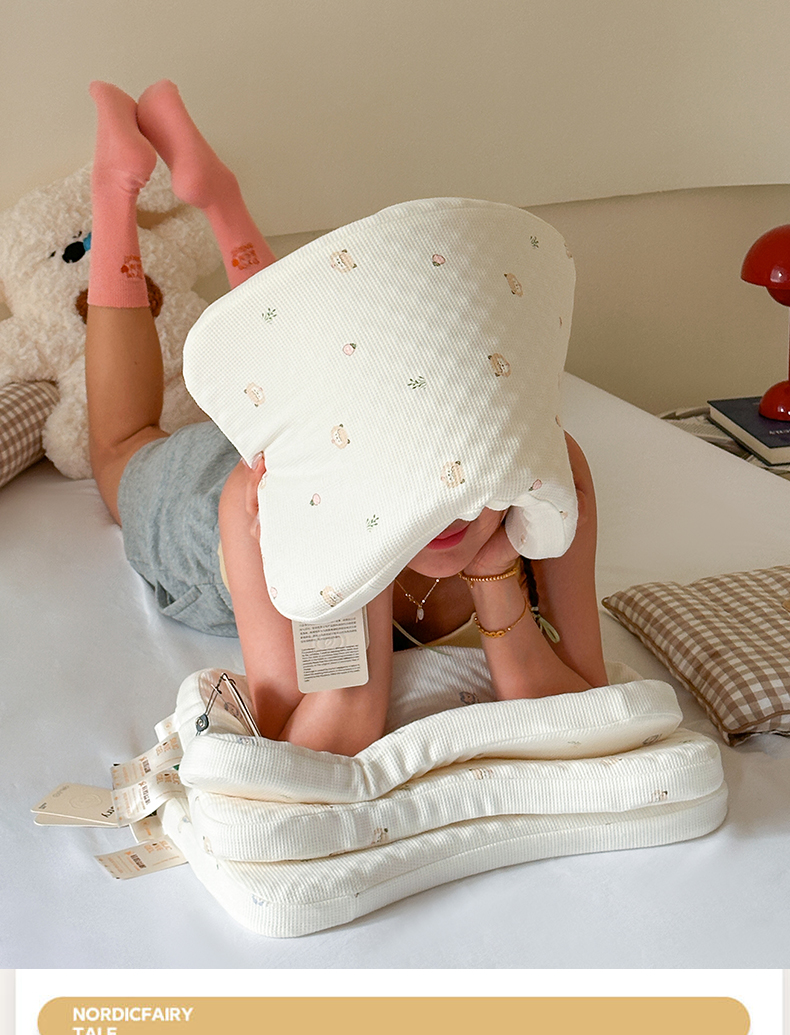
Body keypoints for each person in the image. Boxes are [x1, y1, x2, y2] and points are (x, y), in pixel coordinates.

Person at [85, 80, 608, 758]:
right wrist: (358, 574)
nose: (448, 511)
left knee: (302, 366)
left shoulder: (549, 471)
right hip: (228, 500)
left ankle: (219, 196)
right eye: (414, 472)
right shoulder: (249, 503)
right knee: (120, 446)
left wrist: (497, 581)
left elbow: (585, 711)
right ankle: (114, 191)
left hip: (323, 429)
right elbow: (306, 747)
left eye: (464, 470)